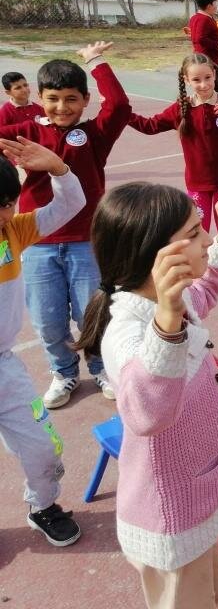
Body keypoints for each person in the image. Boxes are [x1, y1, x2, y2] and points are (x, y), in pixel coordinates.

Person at [76, 184, 218, 609]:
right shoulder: (127, 332)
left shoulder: (166, 298)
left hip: (197, 493)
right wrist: (166, 324)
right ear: (153, 255)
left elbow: (202, 296)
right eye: (193, 232)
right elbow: (148, 414)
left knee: (206, 591)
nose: (205, 238)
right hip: (172, 513)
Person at [0, 42, 132, 407]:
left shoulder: (95, 134)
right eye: (53, 98)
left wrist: (96, 61)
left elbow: (120, 106)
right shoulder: (26, 130)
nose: (62, 107)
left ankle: (103, 368)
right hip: (37, 242)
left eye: (71, 99)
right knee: (47, 320)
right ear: (39, 98)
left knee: (94, 313)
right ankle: (64, 372)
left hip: (86, 241)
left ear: (85, 100)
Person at [127, 53, 218, 300]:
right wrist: (121, 113)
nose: (203, 84)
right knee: (195, 231)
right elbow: (148, 126)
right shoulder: (181, 109)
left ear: (215, 75)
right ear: (186, 80)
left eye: (207, 78)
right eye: (196, 80)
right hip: (198, 184)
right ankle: (199, 275)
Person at [0, 137, 85, 547]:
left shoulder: (13, 232)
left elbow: (69, 207)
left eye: (9, 202)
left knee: (44, 449)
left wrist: (59, 170)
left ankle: (43, 506)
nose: (6, 213)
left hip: (5, 370)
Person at [186, 0, 218, 69]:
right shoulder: (204, 19)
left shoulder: (195, 17)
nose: (216, 6)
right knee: (214, 80)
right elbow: (200, 38)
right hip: (210, 60)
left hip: (201, 58)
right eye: (215, 3)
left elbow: (194, 35)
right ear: (209, 6)